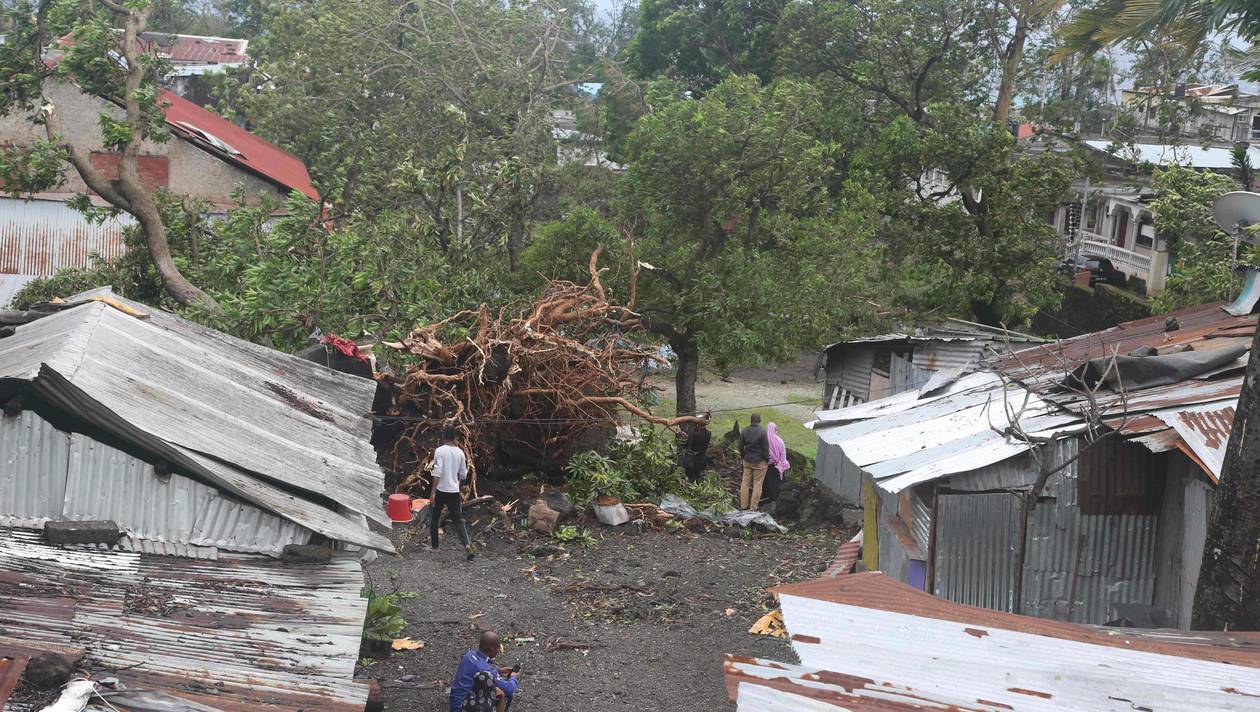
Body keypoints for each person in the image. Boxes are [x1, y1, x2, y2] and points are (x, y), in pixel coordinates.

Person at [430, 427, 475, 560]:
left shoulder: (440, 451)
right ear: (455, 438)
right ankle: (467, 545)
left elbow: (437, 472)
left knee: (435, 517)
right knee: (459, 520)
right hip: (454, 492)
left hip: (441, 490)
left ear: (443, 436)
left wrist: (433, 491)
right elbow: (463, 474)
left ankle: (435, 546)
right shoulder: (460, 452)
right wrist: (456, 484)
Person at [451, 631, 520, 712]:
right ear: (492, 648)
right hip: (464, 708)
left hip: (456, 703)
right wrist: (513, 677)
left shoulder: (468, 655)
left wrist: (499, 671)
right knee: (502, 694)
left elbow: (475, 671)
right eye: (498, 647)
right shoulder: (487, 671)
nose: (498, 651)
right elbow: (509, 688)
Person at [738, 413, 770, 510]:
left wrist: (744, 456)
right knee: (757, 485)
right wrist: (766, 460)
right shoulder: (762, 432)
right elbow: (765, 448)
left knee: (745, 483)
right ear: (759, 420)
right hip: (759, 462)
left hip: (747, 461)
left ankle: (743, 506)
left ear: (751, 420)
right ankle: (753, 508)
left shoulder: (745, 431)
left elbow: (740, 447)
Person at [762, 421, 791, 504]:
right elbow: (783, 454)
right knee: (777, 484)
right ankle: (777, 500)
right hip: (777, 465)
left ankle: (768, 501)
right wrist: (784, 464)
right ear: (775, 430)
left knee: (767, 484)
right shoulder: (779, 441)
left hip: (766, 465)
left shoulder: (763, 441)